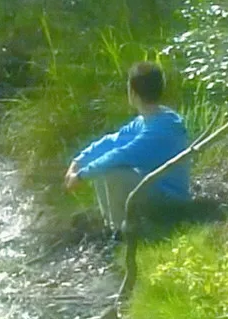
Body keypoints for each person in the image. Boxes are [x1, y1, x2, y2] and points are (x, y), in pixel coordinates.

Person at [64, 61, 190, 236]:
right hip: (156, 189)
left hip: (171, 200)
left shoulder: (162, 127)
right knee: (103, 163)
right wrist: (77, 162)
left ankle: (122, 234)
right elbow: (111, 141)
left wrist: (81, 176)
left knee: (112, 170)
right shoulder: (148, 119)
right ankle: (111, 227)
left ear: (132, 92)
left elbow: (121, 154)